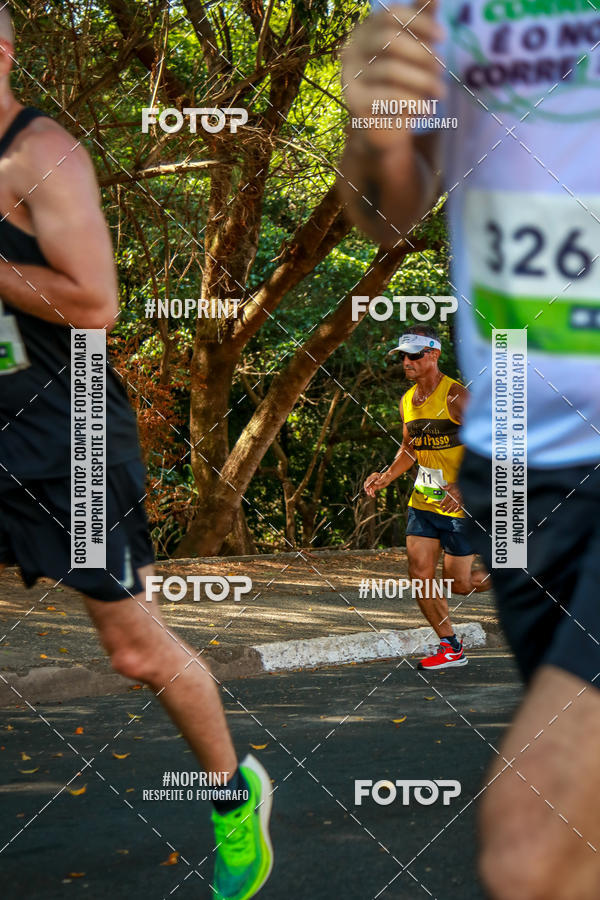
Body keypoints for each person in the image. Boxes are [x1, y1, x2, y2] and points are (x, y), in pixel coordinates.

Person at [0, 9, 272, 899]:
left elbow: (96, 304)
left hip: (70, 439)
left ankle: (233, 798)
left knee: (134, 652)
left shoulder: (41, 154)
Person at [341, 2, 600, 898]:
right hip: (523, 463)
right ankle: (455, 630)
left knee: (538, 846)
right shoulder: (426, 6)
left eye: (415, 353)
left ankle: (451, 638)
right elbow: (384, 211)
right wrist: (377, 128)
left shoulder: (443, 389)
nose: (410, 363)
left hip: (475, 482)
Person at [364, 324, 488, 670]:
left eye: (414, 356)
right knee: (419, 574)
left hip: (460, 506)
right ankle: (450, 646)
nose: (407, 362)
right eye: (402, 357)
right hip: (424, 501)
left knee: (460, 584)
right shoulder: (407, 400)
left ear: (433, 354)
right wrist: (385, 476)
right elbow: (410, 448)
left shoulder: (456, 397)